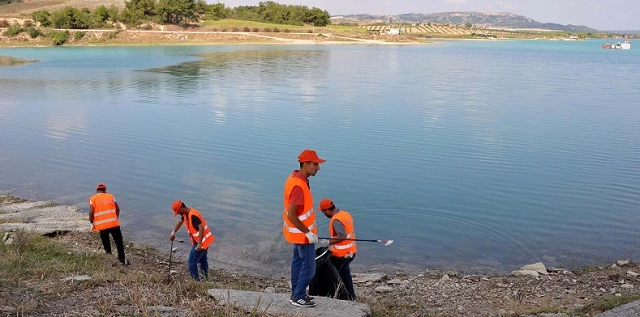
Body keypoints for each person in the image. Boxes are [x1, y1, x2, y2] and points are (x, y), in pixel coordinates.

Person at [283, 149, 325, 308]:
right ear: (306, 164)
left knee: (297, 264)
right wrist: (308, 233)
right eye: (315, 164)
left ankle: (296, 293)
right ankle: (298, 296)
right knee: (309, 268)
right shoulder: (299, 186)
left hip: (298, 235)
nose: (318, 168)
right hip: (303, 236)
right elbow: (291, 215)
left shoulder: (295, 177)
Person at [319, 198, 357, 301]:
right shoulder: (345, 214)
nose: (324, 214)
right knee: (345, 274)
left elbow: (342, 236)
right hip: (351, 252)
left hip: (340, 255)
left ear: (326, 210)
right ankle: (351, 297)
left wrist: (328, 242)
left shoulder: (336, 220)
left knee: (333, 277)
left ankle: (337, 298)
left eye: (323, 212)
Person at [169, 200, 215, 281]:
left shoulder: (193, 215)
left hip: (200, 243)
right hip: (205, 241)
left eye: (178, 212)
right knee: (203, 261)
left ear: (181, 209)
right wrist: (173, 232)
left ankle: (196, 282)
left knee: (191, 263)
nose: (179, 213)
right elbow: (180, 222)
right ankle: (205, 279)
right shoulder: (186, 214)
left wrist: (199, 244)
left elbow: (201, 228)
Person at [89, 183, 129, 265]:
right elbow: (118, 209)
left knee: (106, 241)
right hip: (113, 224)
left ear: (97, 191)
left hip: (102, 225)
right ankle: (122, 260)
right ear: (105, 190)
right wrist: (115, 218)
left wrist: (91, 222)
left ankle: (109, 258)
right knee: (119, 242)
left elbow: (91, 212)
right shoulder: (110, 196)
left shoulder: (93, 199)